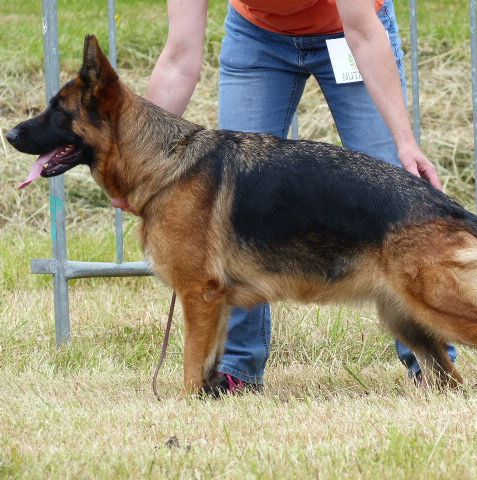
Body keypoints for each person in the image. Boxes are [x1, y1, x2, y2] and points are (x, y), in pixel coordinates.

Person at [147, 0, 457, 394]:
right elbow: (179, 59)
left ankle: (433, 367)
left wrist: (405, 141)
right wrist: (143, 164)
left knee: (396, 195)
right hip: (257, 36)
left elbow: (364, 34)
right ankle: (235, 370)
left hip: (348, 32)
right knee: (238, 205)